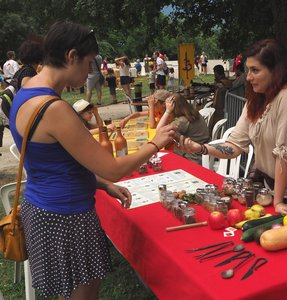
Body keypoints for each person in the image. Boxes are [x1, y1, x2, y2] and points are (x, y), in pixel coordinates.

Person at [9, 21, 177, 299]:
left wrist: (100, 185)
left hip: (42, 209)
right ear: (71, 56)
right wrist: (155, 143)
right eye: (88, 63)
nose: (90, 71)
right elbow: (112, 168)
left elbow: (53, 163)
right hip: (67, 217)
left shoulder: (25, 91)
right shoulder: (55, 109)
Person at [180, 39, 287, 214]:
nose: (248, 77)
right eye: (248, 70)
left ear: (276, 71)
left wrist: (278, 202)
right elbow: (234, 146)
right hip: (266, 189)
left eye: (255, 70)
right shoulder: (258, 98)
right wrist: (201, 148)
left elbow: (284, 155)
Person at [157, 93, 210, 164]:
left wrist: (167, 111)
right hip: (204, 151)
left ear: (174, 107)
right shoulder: (192, 113)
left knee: (162, 160)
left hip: (194, 157)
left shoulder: (183, 121)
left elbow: (159, 130)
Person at [209, 64, 232, 133]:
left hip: (220, 109)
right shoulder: (223, 82)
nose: (214, 75)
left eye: (215, 73)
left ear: (217, 73)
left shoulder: (223, 83)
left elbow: (224, 87)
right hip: (220, 108)